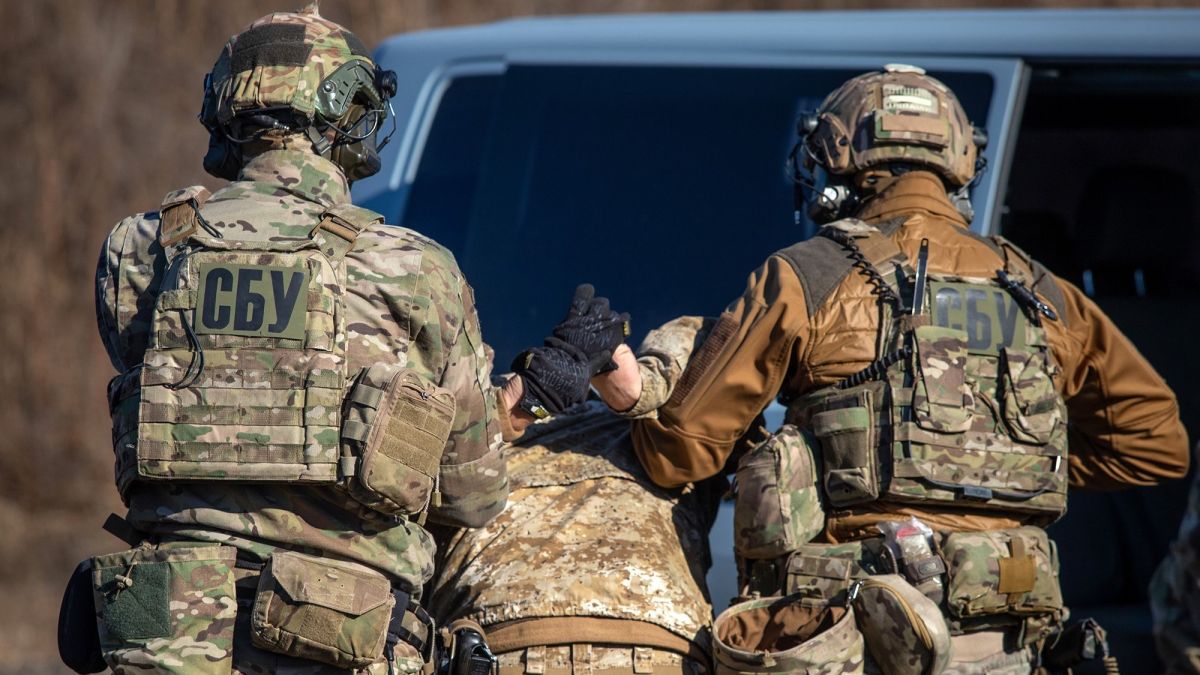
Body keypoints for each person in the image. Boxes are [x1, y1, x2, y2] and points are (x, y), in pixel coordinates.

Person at [593, 64, 1189, 673]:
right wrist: (999, 460)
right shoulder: (1044, 293)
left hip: (848, 637)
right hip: (1008, 643)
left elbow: (679, 454)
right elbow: (1157, 446)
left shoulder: (807, 276)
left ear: (837, 158)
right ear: (957, 161)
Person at [60, 6, 565, 674]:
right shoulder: (415, 270)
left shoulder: (143, 249)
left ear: (226, 115)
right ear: (349, 120)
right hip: (337, 638)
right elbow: (472, 494)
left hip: (161, 635)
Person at [428, 316, 742, 675]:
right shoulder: (688, 436)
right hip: (657, 647)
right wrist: (641, 388)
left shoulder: (462, 412)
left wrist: (513, 406)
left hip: (498, 644)